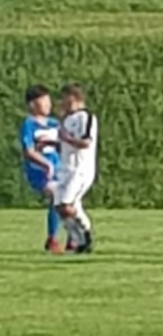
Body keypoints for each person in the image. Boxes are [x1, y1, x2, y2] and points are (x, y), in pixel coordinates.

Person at [55, 83, 99, 254]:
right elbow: (64, 145)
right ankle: (80, 241)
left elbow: (86, 143)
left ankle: (85, 232)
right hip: (65, 169)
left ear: (73, 98)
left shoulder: (86, 117)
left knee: (67, 205)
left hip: (80, 170)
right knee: (60, 208)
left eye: (64, 98)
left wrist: (66, 138)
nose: (62, 103)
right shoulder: (66, 119)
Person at [19, 84, 63, 253]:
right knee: (57, 194)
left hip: (58, 169)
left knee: (68, 199)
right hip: (38, 171)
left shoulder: (54, 124)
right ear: (32, 104)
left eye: (48, 101)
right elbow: (28, 151)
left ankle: (75, 238)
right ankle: (53, 239)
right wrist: (46, 164)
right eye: (44, 102)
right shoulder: (29, 124)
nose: (48, 105)